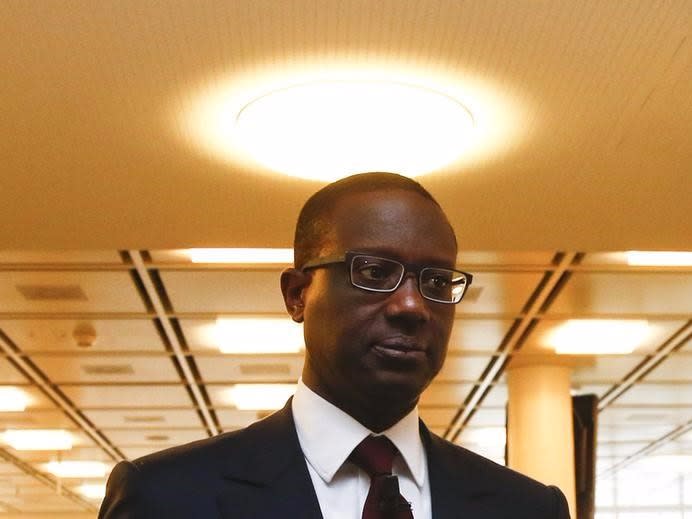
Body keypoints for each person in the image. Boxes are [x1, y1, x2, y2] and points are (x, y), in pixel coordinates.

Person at [99, 172, 570, 518]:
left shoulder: (528, 508)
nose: (412, 306)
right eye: (374, 272)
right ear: (297, 294)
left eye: (436, 280)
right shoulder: (167, 497)